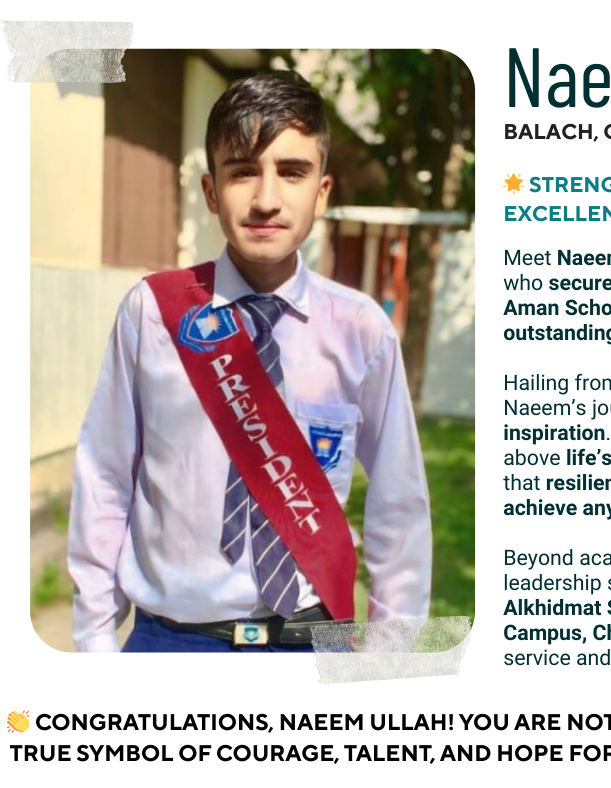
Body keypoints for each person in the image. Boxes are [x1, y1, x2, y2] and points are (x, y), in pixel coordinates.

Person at [67, 71, 432, 652]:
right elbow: (105, 476)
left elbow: (399, 504)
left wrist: (389, 658)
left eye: (292, 172)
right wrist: (93, 642)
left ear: (323, 191)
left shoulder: (360, 329)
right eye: (242, 172)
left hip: (315, 644)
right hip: (173, 647)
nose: (266, 199)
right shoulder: (153, 312)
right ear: (212, 192)